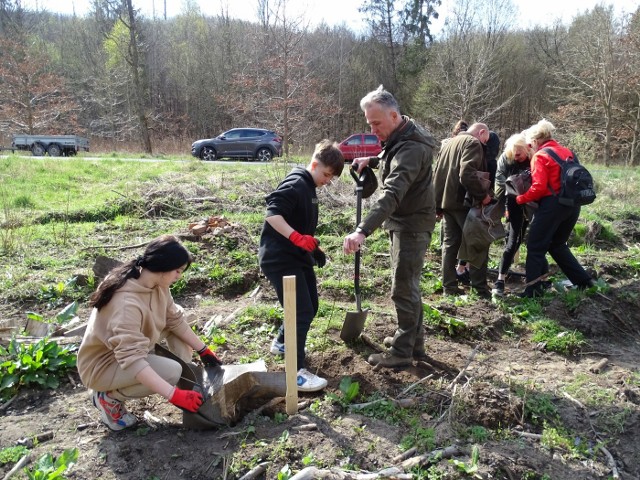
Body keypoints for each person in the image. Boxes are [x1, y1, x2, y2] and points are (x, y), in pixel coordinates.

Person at [77, 235, 222, 431]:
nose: (179, 276)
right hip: (103, 365)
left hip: (130, 349)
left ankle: (188, 380)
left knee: (178, 320)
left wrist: (203, 350)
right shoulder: (126, 303)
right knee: (171, 372)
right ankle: (108, 398)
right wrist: (172, 395)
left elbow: (174, 320)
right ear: (163, 267)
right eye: (177, 271)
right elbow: (132, 359)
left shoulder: (155, 283)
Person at [342, 85, 437, 369]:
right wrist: (371, 160)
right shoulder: (403, 136)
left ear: (394, 116)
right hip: (408, 221)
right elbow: (392, 158)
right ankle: (412, 343)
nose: (373, 130)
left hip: (411, 225)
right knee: (409, 286)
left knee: (403, 288)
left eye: (376, 123)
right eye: (369, 123)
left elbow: (392, 192)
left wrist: (362, 230)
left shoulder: (412, 146)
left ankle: (402, 352)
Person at [259, 139, 344, 391]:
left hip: (296, 256)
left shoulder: (309, 186)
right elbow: (273, 214)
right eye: (326, 174)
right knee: (301, 311)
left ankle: (283, 342)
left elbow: (300, 223)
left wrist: (313, 247)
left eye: (331, 178)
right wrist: (296, 238)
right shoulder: (297, 183)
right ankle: (294, 372)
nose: (327, 180)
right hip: (280, 258)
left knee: (311, 306)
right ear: (315, 164)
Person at [515, 119, 595, 297]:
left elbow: (539, 188)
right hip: (573, 205)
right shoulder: (568, 152)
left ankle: (533, 289)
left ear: (536, 141)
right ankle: (584, 281)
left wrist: (520, 199)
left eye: (529, 144)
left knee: (534, 246)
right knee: (557, 244)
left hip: (553, 205)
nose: (530, 148)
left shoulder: (541, 156)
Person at [433, 122, 493, 298]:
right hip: (462, 203)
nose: (485, 144)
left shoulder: (449, 142)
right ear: (481, 133)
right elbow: (467, 174)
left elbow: (437, 173)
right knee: (478, 243)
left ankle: (449, 288)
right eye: (485, 140)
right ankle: (480, 290)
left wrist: (438, 204)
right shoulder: (472, 143)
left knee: (450, 245)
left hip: (447, 202)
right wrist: (483, 195)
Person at [491, 133, 534, 297]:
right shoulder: (508, 159)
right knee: (513, 240)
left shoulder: (534, 159)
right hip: (515, 202)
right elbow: (502, 180)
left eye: (519, 154)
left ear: (526, 149)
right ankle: (500, 280)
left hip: (532, 204)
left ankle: (536, 280)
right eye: (514, 154)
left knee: (529, 241)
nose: (516, 157)